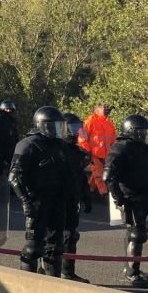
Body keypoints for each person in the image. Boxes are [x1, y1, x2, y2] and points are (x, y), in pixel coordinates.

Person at [9, 106, 72, 276]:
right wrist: (25, 202)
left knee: (55, 248)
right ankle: (27, 282)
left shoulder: (60, 146)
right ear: (41, 125)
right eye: (53, 126)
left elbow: (67, 174)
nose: (58, 130)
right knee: (33, 248)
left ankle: (53, 284)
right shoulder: (28, 145)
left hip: (57, 202)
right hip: (37, 201)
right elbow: (14, 177)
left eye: (60, 126)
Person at [104, 114, 148, 287]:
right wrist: (118, 197)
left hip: (141, 195)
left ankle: (132, 268)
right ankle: (133, 273)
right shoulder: (121, 147)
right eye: (141, 132)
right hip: (129, 196)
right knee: (136, 233)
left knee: (135, 232)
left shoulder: (141, 148)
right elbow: (108, 176)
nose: (144, 136)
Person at [60, 113, 90, 283]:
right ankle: (44, 269)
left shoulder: (78, 153)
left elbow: (81, 176)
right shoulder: (56, 150)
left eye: (76, 129)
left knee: (71, 236)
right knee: (52, 237)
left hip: (72, 199)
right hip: (56, 200)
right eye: (71, 129)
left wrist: (86, 196)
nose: (74, 133)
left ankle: (68, 271)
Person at [79, 103, 116, 206]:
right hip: (94, 154)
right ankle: (104, 193)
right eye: (105, 109)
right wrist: (87, 151)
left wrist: (114, 150)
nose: (107, 111)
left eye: (108, 110)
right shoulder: (90, 121)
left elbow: (113, 138)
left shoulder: (109, 123)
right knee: (99, 174)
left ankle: (88, 191)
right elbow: (82, 137)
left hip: (106, 154)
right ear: (97, 110)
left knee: (96, 175)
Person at [0, 100, 18, 177]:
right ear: (2, 109)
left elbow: (14, 134)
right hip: (0, 147)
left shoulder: (11, 120)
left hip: (10, 148)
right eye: (7, 109)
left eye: (10, 109)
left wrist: (16, 143)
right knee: (0, 168)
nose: (9, 110)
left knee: (13, 165)